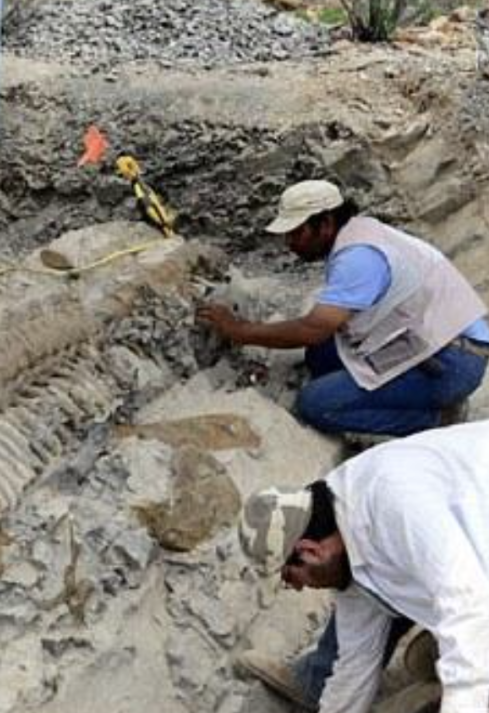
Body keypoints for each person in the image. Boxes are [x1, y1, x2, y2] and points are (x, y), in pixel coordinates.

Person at [198, 180, 488, 437]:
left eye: (297, 233)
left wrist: (241, 331)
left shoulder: (359, 257)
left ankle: (433, 419)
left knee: (316, 405)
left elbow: (312, 329)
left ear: (324, 224)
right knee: (321, 355)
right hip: (438, 341)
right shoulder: (360, 231)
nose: (289, 243)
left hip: (451, 362)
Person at [238, 421, 489, 713]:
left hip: (477, 585)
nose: (297, 586)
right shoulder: (347, 534)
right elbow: (354, 668)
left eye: (291, 577)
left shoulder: (394, 505)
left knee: (468, 667)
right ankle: (441, 658)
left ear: (309, 551)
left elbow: (471, 604)